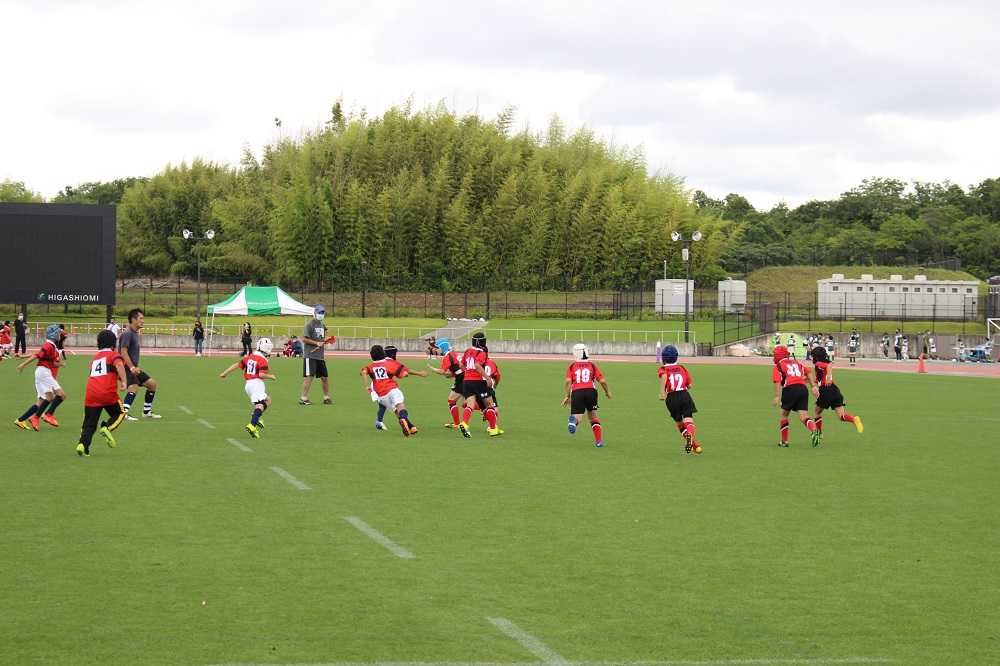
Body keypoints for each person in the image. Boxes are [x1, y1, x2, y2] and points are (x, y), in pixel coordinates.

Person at [75, 330, 127, 457]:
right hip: (107, 392)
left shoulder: (95, 358)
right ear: (113, 344)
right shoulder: (113, 355)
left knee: (89, 424)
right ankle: (107, 427)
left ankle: (82, 445)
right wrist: (124, 381)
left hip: (91, 393)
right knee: (120, 413)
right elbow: (119, 365)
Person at [362, 344, 427, 436]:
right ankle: (404, 420)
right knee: (400, 406)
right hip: (391, 389)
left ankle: (410, 427)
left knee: (395, 410)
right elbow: (403, 373)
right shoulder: (389, 363)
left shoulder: (370, 366)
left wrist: (366, 386)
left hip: (381, 394)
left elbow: (364, 372)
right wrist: (412, 374)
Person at [220, 337, 276, 439]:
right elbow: (261, 375)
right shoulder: (263, 360)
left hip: (248, 385)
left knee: (268, 400)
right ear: (267, 348)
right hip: (257, 384)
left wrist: (225, 373)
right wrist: (271, 376)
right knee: (260, 405)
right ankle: (252, 425)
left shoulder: (250, 357)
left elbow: (237, 365)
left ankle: (256, 417)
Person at [13, 325, 65, 431]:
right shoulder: (49, 346)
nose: (59, 335)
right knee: (61, 395)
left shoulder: (51, 346)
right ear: (55, 335)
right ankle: (47, 415)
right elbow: (37, 356)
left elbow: (41, 356)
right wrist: (23, 365)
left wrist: (59, 364)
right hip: (44, 373)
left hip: (43, 373)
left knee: (45, 399)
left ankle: (22, 420)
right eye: (58, 333)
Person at [809, 346, 863, 446]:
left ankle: (819, 434)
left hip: (826, 390)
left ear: (816, 356)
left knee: (817, 412)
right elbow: (818, 380)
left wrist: (828, 378)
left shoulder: (818, 363)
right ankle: (854, 419)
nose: (811, 358)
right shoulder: (819, 367)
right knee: (842, 416)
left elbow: (829, 365)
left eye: (812, 356)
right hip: (834, 390)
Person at [562, 343, 611, 448]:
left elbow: (568, 381)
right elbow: (602, 381)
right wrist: (607, 392)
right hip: (591, 392)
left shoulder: (572, 366)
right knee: (593, 416)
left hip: (577, 392)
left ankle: (573, 421)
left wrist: (567, 396)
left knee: (578, 418)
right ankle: (599, 441)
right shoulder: (592, 365)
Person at [772, 344, 819, 448]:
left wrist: (777, 396)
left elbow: (777, 382)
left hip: (790, 389)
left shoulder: (778, 366)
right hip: (803, 389)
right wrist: (813, 386)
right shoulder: (796, 362)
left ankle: (784, 442)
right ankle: (814, 430)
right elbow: (809, 372)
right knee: (804, 417)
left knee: (784, 415)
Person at [657, 345, 701, 454]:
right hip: (684, 395)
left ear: (663, 358)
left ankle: (694, 444)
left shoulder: (663, 369)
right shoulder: (682, 368)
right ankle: (692, 441)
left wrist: (662, 393)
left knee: (680, 424)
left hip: (671, 398)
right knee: (688, 420)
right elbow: (689, 386)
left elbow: (664, 376)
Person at [118, 308, 161, 420]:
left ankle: (146, 412)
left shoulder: (135, 333)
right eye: (141, 318)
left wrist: (134, 367)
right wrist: (131, 367)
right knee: (134, 387)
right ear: (133, 319)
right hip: (126, 367)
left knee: (152, 384)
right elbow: (123, 352)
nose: (143, 321)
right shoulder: (128, 334)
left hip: (133, 368)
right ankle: (124, 414)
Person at [458, 332, 502, 438]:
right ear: (481, 342)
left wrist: (468, 372)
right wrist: (487, 378)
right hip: (478, 381)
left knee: (470, 405)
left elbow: (461, 365)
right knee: (490, 405)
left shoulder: (468, 351)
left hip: (466, 381)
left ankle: (464, 423)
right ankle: (493, 429)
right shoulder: (482, 352)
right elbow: (477, 365)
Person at [300, 304, 336, 405]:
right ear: (315, 313)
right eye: (320, 312)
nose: (321, 314)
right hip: (310, 356)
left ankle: (326, 397)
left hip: (320, 356)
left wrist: (327, 340)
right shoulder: (309, 325)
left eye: (323, 312)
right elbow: (304, 339)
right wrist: (316, 343)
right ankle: (303, 398)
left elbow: (324, 336)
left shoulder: (322, 325)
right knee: (309, 377)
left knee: (324, 377)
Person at [427, 337, 464, 429]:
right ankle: (485, 409)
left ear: (442, 348)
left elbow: (442, 371)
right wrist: (450, 374)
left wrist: (433, 369)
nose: (436, 350)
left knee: (452, 401)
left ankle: (457, 424)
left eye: (437, 348)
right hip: (465, 377)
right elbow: (455, 369)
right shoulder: (453, 353)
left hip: (461, 379)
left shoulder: (447, 357)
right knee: (466, 403)